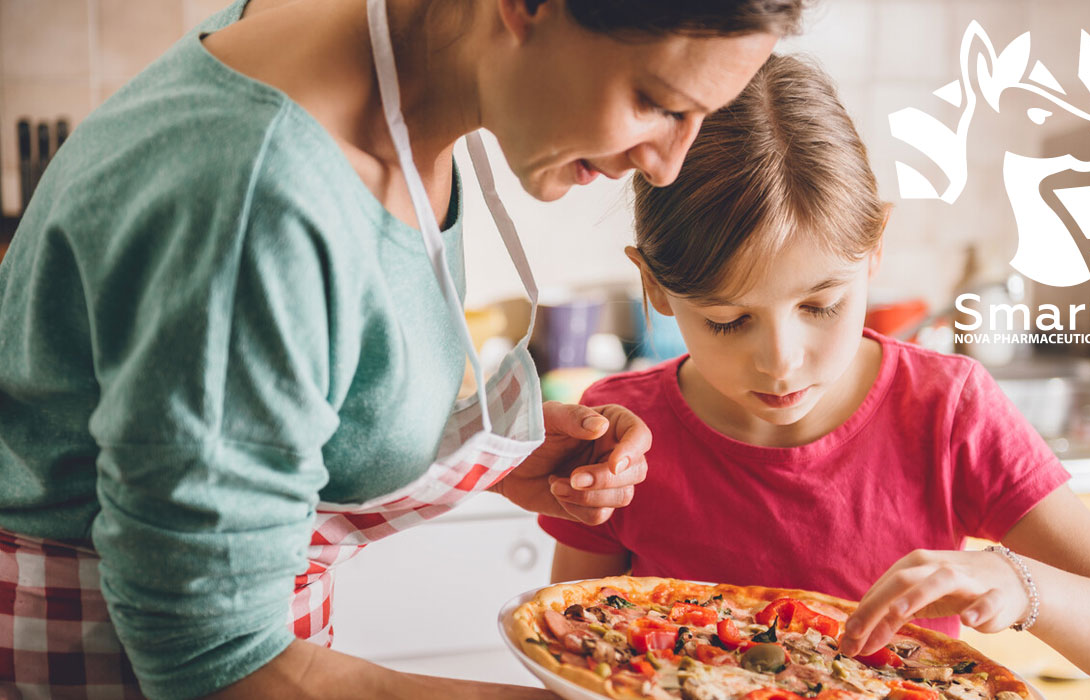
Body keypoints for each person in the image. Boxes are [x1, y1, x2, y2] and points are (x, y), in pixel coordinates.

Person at [0, 0, 808, 698]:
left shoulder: (391, 74)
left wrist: (497, 463)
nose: (666, 167)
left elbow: (274, 395)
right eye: (657, 102)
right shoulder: (256, 202)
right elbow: (210, 661)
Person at [540, 54, 1090, 699]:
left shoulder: (947, 414)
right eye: (727, 320)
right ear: (654, 285)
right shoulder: (624, 436)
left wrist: (1018, 583)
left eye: (820, 305)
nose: (781, 360)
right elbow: (562, 646)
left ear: (875, 246)